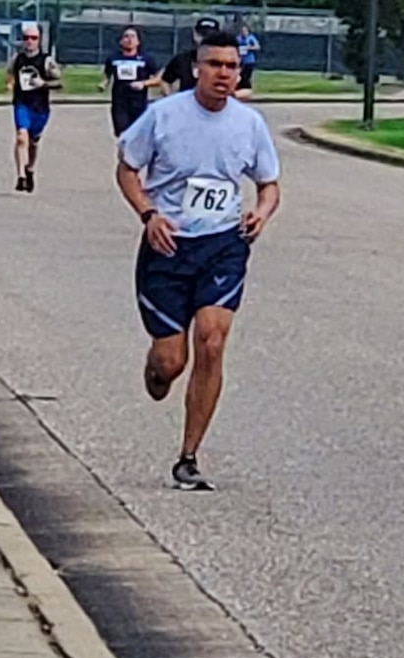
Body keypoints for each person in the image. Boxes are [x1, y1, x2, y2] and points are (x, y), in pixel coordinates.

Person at [116, 29, 281, 492]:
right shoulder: (164, 116)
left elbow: (269, 185)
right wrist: (148, 214)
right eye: (214, 65)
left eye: (231, 67)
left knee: (212, 340)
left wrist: (261, 213)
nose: (224, 74)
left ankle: (188, 457)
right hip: (167, 246)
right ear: (196, 68)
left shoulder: (250, 125)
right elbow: (127, 168)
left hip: (222, 245)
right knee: (171, 361)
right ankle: (158, 370)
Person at [4, 20, 59, 192]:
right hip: (22, 103)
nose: (29, 41)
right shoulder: (17, 59)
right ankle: (20, 176)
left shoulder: (46, 61)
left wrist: (43, 83)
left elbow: (59, 82)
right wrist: (10, 84)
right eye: (26, 38)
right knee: (21, 137)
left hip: (40, 107)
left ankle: (30, 170)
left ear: (39, 40)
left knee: (33, 142)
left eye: (33, 38)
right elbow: (9, 73)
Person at [102, 26, 159, 137]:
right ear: (121, 41)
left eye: (132, 37)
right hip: (120, 103)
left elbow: (159, 78)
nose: (129, 40)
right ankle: (125, 153)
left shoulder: (145, 59)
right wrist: (103, 83)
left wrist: (143, 83)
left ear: (138, 41)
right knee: (123, 135)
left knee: (138, 135)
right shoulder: (113, 58)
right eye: (126, 37)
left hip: (139, 103)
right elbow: (107, 74)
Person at [161, 16, 219, 95]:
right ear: (195, 35)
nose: (205, 40)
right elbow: (165, 81)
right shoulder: (182, 59)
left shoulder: (226, 62)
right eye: (202, 35)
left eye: (210, 36)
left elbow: (241, 87)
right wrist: (171, 99)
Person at [234, 16, 261, 93]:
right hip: (240, 60)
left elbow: (257, 47)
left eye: (245, 31)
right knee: (240, 75)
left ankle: (247, 89)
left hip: (249, 60)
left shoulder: (251, 38)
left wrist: (250, 48)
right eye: (242, 31)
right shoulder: (238, 38)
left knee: (247, 75)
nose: (244, 33)